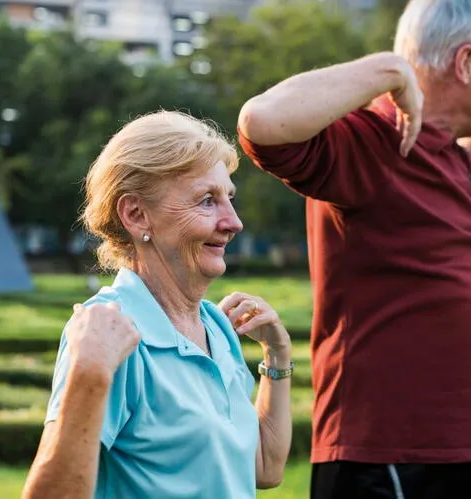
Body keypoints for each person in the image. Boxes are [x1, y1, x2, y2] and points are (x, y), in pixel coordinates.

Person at [237, 0, 471, 497]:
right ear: (464, 62)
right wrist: (392, 68)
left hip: (468, 445)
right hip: (391, 452)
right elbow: (261, 123)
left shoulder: (447, 153)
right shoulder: (373, 138)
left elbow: (434, 227)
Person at [21, 111, 293, 499]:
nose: (234, 222)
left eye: (229, 199)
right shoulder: (111, 331)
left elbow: (263, 468)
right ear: (136, 214)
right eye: (207, 201)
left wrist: (278, 357)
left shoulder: (216, 325)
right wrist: (90, 374)